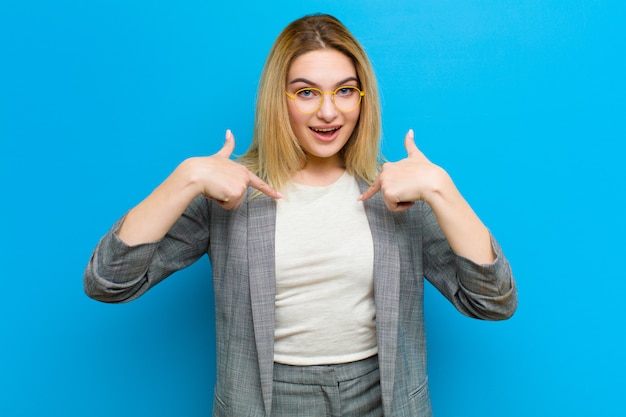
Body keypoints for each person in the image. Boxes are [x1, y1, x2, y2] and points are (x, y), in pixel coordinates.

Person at [84, 13, 517, 417]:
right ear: (279, 98)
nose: (328, 112)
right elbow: (108, 283)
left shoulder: (397, 192)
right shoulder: (229, 190)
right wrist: (185, 179)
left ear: (362, 98)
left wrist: (443, 189)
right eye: (306, 92)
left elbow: (492, 303)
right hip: (266, 399)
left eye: (345, 90)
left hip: (384, 395)